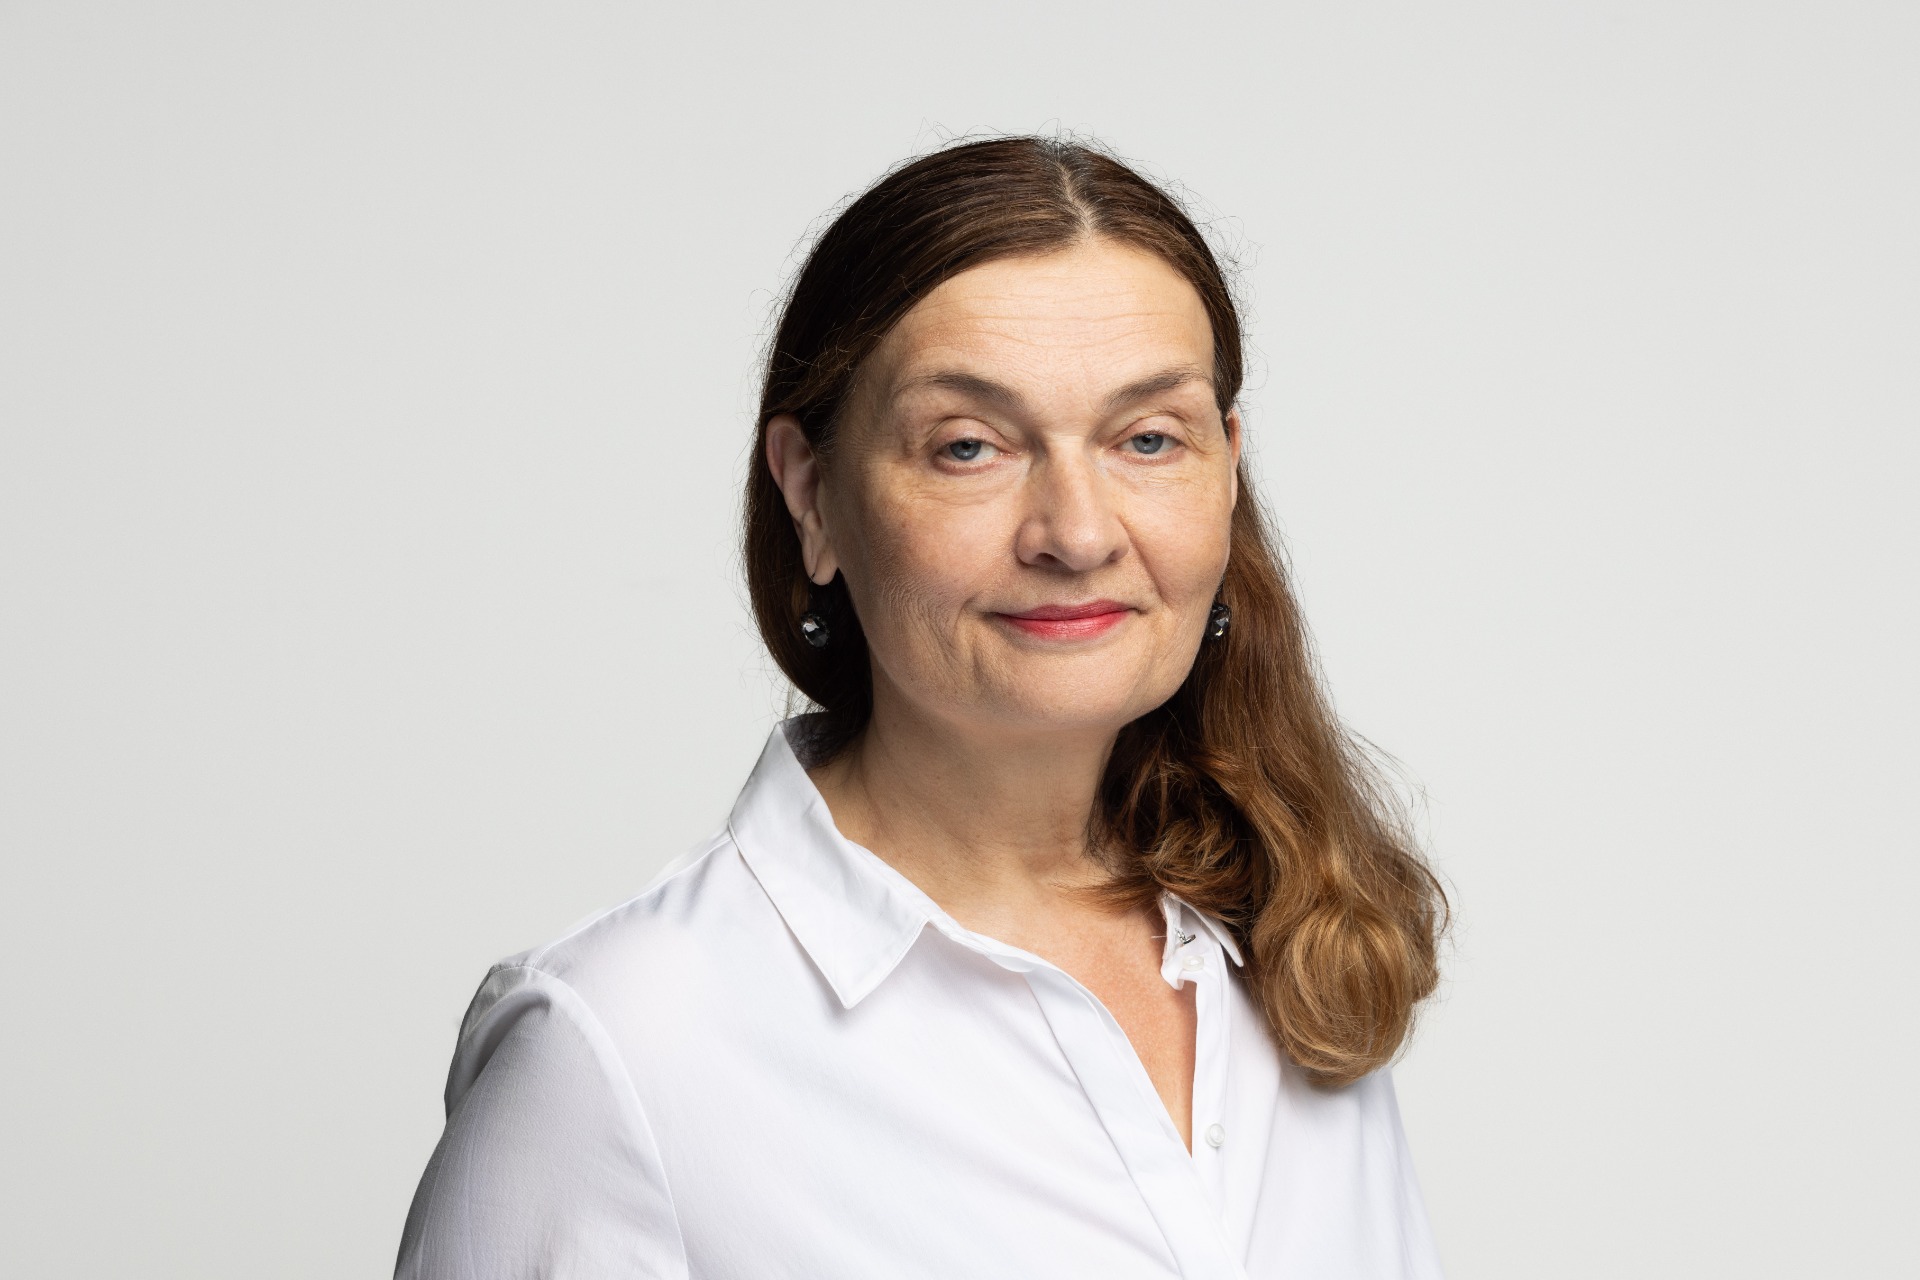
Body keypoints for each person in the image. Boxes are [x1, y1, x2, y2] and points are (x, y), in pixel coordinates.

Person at [396, 136, 1449, 1280]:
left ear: (1227, 468)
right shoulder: (621, 1044)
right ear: (812, 492)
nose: (1077, 532)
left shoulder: (1289, 946)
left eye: (1149, 438)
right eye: (968, 447)